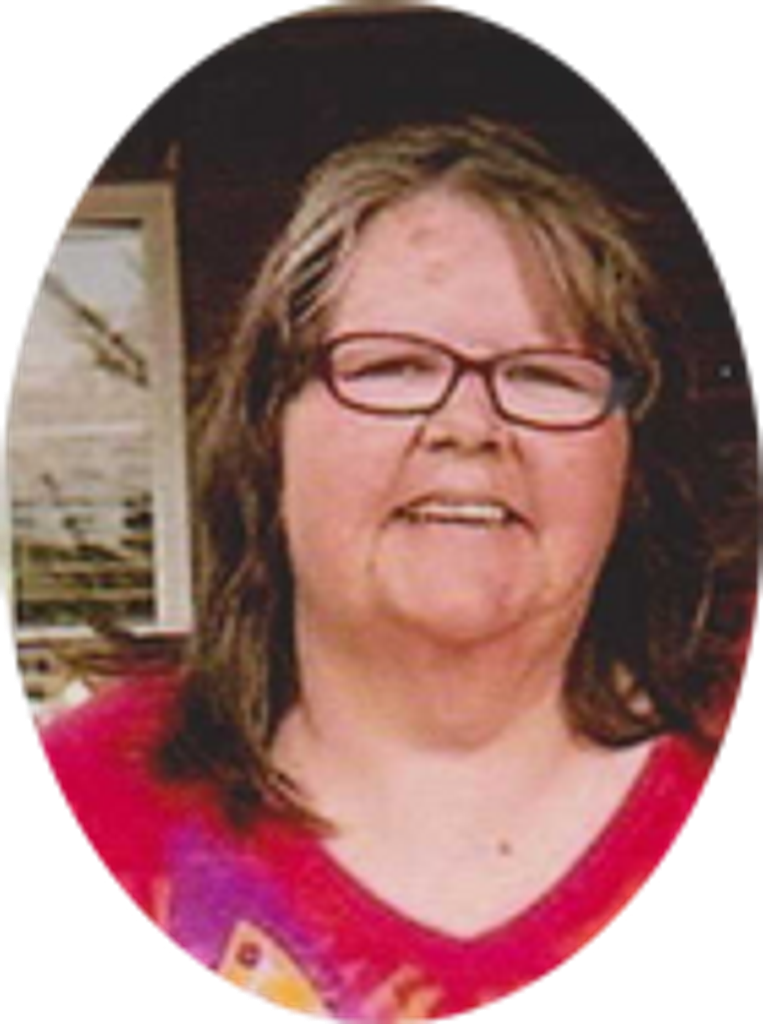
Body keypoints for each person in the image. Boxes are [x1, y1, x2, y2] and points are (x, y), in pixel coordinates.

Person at [36, 118, 758, 1019]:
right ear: (265, 435)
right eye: (392, 367)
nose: (468, 426)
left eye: (544, 374)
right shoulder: (95, 806)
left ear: (630, 461)